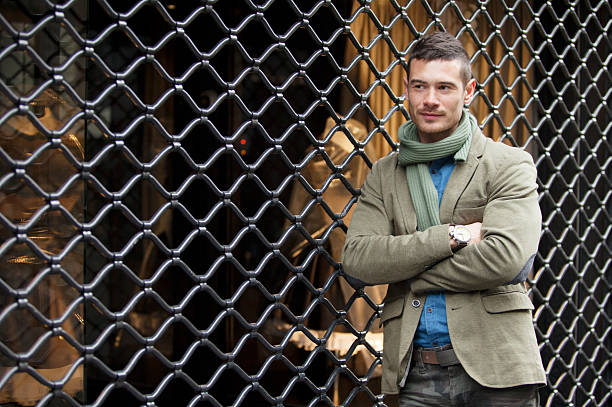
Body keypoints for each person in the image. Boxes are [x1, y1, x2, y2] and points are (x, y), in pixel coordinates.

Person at [342, 32, 546, 406]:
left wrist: (405, 269)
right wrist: (452, 236)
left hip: (498, 369)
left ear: (468, 92)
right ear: (406, 89)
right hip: (416, 374)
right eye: (420, 86)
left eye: (444, 87)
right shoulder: (385, 174)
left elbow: (507, 260)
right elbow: (357, 261)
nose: (430, 100)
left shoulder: (508, 164)